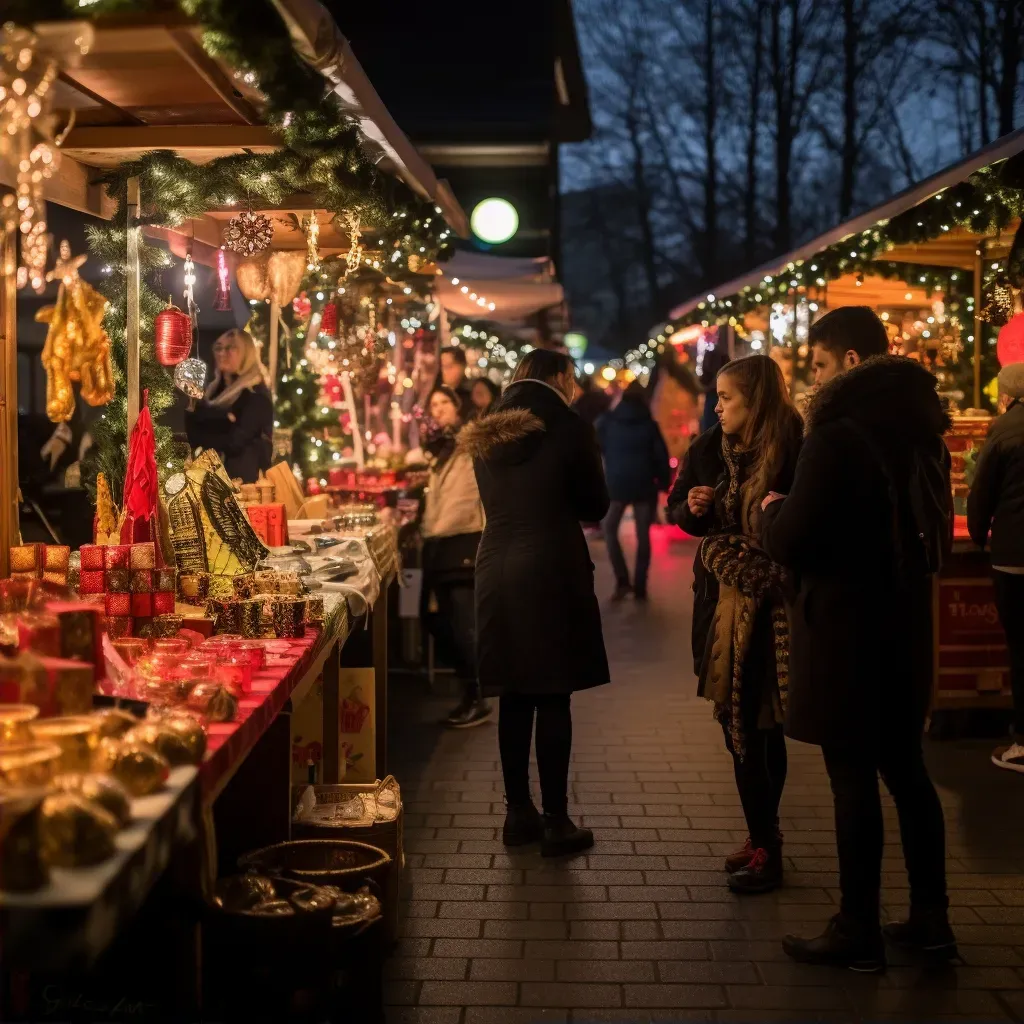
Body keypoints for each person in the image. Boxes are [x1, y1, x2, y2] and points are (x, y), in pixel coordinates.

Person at [761, 311, 954, 971]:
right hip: (905, 628)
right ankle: (932, 918)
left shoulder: (838, 434)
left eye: (814, 365)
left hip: (847, 631)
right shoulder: (924, 430)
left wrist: (769, 514)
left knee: (851, 777)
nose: (811, 379)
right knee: (908, 773)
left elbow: (794, 535)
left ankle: (856, 926)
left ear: (846, 362)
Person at [458, 349, 610, 857]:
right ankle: (557, 820)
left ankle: (517, 815)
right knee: (553, 694)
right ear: (561, 378)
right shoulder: (569, 426)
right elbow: (594, 505)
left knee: (514, 693)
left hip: (496, 564)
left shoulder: (487, 428)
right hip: (551, 566)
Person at [667, 355, 802, 895]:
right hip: (719, 605)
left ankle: (768, 845)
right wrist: (694, 509)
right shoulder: (707, 448)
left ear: (758, 400)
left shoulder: (795, 446)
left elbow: (801, 523)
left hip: (774, 609)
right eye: (717, 396)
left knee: (761, 722)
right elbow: (678, 507)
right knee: (734, 722)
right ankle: (760, 833)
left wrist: (778, 514)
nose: (717, 406)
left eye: (727, 397)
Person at [419, 386, 490, 729]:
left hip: (464, 537)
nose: (439, 408)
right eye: (434, 404)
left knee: (463, 624)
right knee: (432, 617)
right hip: (438, 538)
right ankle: (471, 689)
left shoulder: (469, 439)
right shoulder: (439, 444)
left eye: (445, 402)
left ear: (458, 406)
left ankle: (476, 695)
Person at [967, 362, 1024, 773]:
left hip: (1014, 557)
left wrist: (977, 537)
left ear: (1004, 396)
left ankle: (1022, 743)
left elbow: (981, 494)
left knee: (1021, 649)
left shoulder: (1003, 430)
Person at [597, 380, 671, 601]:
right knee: (643, 536)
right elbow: (661, 457)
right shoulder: (650, 425)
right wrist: (663, 485)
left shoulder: (607, 422)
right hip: (644, 485)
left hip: (616, 484)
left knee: (609, 528)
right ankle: (640, 585)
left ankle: (622, 580)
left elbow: (596, 447)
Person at [185, 328, 273, 483]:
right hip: (212, 481)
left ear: (247, 352)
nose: (222, 353)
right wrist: (225, 420)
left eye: (231, 347)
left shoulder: (255, 393)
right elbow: (192, 434)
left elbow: (236, 442)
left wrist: (207, 425)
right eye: (218, 347)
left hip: (244, 486)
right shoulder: (212, 392)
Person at [439, 345, 474, 412]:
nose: (443, 372)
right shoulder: (436, 394)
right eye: (441, 367)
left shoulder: (473, 394)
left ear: (462, 366)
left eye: (448, 366)